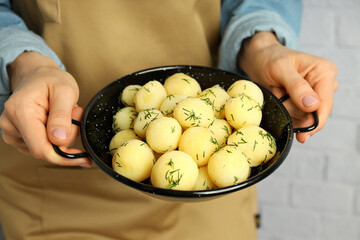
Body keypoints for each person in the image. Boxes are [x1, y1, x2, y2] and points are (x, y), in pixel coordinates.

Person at [0, 0, 337, 239]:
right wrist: (25, 64)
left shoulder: (219, 135)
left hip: (210, 205)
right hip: (61, 195)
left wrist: (260, 43)